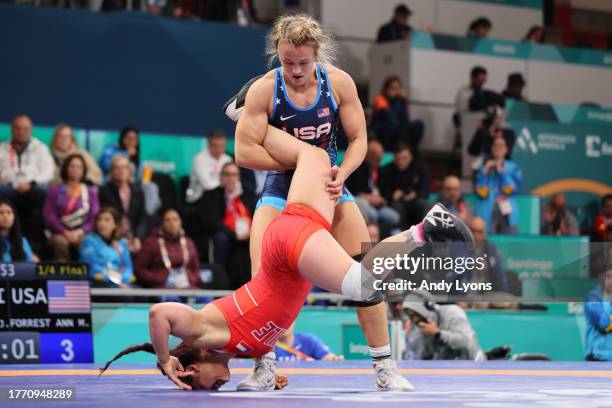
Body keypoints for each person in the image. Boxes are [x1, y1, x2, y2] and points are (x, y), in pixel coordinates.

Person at [100, 128, 475, 391]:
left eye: (198, 385)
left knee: (313, 155)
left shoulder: (204, 331)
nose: (208, 390)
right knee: (365, 275)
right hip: (295, 262)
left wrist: (165, 359)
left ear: (191, 367)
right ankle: (427, 230)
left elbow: (158, 314)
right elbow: (260, 338)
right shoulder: (236, 350)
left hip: (287, 248)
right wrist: (265, 371)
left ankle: (245, 116)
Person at [227, 14, 404, 391]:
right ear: (278, 53)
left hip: (330, 184)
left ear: (317, 55)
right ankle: (264, 368)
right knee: (261, 280)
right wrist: (300, 160)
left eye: (303, 63)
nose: (294, 71)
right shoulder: (264, 89)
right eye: (287, 62)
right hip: (280, 187)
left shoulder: (338, 82)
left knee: (367, 275)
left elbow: (358, 140)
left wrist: (342, 171)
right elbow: (242, 151)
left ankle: (385, 367)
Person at [199, 162, 257, 288]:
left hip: (248, 237)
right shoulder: (213, 195)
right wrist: (234, 234)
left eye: (234, 175)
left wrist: (251, 233)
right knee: (221, 238)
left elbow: (257, 216)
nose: (231, 178)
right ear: (221, 177)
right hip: (228, 237)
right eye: (227, 175)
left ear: (238, 178)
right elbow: (212, 222)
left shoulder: (247, 196)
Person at [0, 115, 54, 241]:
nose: (21, 132)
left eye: (25, 129)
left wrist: (31, 183)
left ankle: (41, 236)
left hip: (32, 190)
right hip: (8, 188)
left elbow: (48, 172)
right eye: (17, 128)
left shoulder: (40, 148)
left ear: (31, 130)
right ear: (12, 129)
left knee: (43, 190)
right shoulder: (2, 148)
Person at [43, 154, 100, 260]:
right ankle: (62, 275)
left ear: (84, 170)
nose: (75, 170)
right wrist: (64, 232)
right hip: (58, 232)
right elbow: (48, 215)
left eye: (79, 167)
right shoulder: (54, 190)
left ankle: (88, 275)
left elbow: (94, 217)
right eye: (72, 166)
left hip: (83, 233)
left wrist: (79, 232)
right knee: (61, 243)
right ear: (66, 168)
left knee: (89, 242)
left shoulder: (91, 191)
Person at [402, 292, 484, 360]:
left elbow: (466, 342)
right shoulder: (416, 329)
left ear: (429, 307)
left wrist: (437, 333)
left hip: (472, 364)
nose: (415, 320)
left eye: (417, 314)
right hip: (443, 372)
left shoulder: (453, 312)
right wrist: (426, 338)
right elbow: (417, 359)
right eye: (411, 316)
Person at [135, 207, 202, 289]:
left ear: (180, 222)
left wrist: (189, 279)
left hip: (187, 286)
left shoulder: (189, 243)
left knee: (206, 298)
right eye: (168, 220)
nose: (172, 223)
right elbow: (139, 269)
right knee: (172, 300)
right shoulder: (151, 243)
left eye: (175, 219)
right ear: (162, 223)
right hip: (162, 287)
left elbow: (196, 269)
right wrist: (161, 279)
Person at [346, 139, 401, 234]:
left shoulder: (381, 170)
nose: (379, 162)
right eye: (377, 159)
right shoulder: (357, 169)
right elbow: (350, 190)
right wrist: (367, 197)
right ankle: (371, 239)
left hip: (379, 205)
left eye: (380, 158)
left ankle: (384, 239)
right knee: (372, 214)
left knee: (394, 217)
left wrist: (382, 199)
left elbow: (386, 191)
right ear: (369, 156)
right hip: (362, 202)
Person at [99, 155, 148, 253]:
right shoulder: (104, 191)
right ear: (111, 171)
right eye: (117, 168)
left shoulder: (137, 191)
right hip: (112, 236)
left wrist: (138, 237)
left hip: (133, 236)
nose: (121, 171)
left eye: (124, 167)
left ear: (130, 171)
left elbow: (143, 217)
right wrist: (116, 237)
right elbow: (104, 217)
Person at [474, 137, 522, 234]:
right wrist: (485, 172)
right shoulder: (483, 168)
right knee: (486, 245)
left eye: (500, 146)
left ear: (506, 150)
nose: (497, 148)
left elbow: (511, 190)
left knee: (510, 244)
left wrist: (503, 174)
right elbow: (481, 193)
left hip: (508, 213)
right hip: (487, 212)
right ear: (491, 149)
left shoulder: (513, 167)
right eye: (495, 145)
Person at [378, 143, 430, 229]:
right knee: (396, 207)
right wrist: (393, 196)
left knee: (424, 204)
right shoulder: (385, 170)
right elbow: (382, 193)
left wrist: (415, 194)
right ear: (394, 157)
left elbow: (425, 191)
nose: (401, 162)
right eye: (398, 159)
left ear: (410, 157)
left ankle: (425, 233)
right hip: (396, 202)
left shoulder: (420, 168)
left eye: (404, 158)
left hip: (416, 200)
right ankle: (401, 236)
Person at [80, 207, 135, 288]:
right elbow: (92, 268)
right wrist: (117, 282)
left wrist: (125, 281)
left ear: (115, 225)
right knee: (126, 297)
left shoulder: (122, 244)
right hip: (99, 282)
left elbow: (127, 267)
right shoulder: (89, 241)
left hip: (121, 282)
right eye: (99, 219)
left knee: (141, 296)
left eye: (107, 220)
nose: (102, 223)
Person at [370, 76, 424, 151]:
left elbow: (405, 120)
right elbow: (390, 116)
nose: (394, 91)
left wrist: (402, 101)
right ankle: (383, 151)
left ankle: (410, 151)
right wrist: (399, 100)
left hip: (397, 129)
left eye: (397, 88)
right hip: (382, 129)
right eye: (392, 88)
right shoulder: (380, 99)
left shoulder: (400, 101)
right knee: (393, 122)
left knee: (418, 124)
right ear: (386, 89)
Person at [185, 130, 233, 204]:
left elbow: (236, 183)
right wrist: (226, 183)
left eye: (221, 146)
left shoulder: (228, 159)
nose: (218, 149)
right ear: (208, 144)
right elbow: (207, 185)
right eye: (215, 145)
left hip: (223, 198)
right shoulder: (199, 159)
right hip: (199, 199)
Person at [584, 262, 612, 361]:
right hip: (597, 358)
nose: (611, 281)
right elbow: (605, 325)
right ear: (601, 276)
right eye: (608, 276)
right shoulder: (593, 297)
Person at [274, 323, 343, 361]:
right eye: (280, 321)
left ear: (294, 321)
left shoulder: (308, 339)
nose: (284, 324)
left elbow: (327, 357)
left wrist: (334, 360)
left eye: (289, 320)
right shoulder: (268, 347)